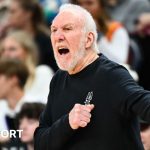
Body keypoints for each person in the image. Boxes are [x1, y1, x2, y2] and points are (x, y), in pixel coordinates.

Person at [34, 4, 150, 150]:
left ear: (88, 40)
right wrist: (67, 123)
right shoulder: (58, 79)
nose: (58, 36)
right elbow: (40, 143)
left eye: (67, 29)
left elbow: (145, 103)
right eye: (54, 30)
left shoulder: (111, 75)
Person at [0, 30, 54, 103]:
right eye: (3, 50)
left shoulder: (42, 72)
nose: (6, 54)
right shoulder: (3, 81)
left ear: (28, 51)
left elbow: (48, 105)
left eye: (12, 49)